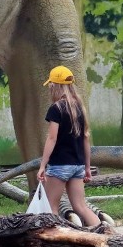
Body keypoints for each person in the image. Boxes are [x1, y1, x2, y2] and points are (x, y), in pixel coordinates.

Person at [37, 65, 101, 228]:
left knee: (51, 208)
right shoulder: (80, 107)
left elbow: (52, 138)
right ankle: (107, 236)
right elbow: (86, 139)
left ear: (55, 86)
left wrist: (42, 165)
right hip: (78, 165)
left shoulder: (56, 108)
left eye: (51, 85)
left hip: (59, 165)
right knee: (81, 207)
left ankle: (54, 244)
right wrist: (87, 166)